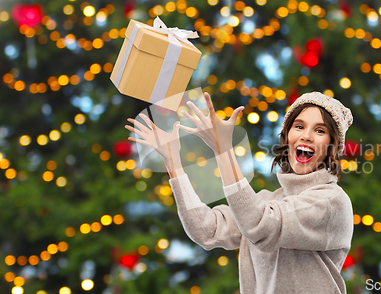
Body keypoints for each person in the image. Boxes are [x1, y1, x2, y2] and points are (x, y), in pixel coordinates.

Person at [125, 91, 354, 294]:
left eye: (320, 130)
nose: (306, 135)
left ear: (332, 147)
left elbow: (260, 226)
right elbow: (207, 230)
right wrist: (173, 161)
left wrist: (224, 151)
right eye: (299, 126)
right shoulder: (268, 201)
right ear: (287, 137)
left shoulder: (332, 202)